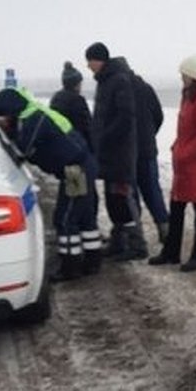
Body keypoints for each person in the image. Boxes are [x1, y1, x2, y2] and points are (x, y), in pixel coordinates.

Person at [0, 87, 102, 280]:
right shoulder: (34, 116)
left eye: (3, 118)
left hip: (76, 170)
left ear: (12, 110)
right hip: (80, 166)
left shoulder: (35, 120)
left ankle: (70, 266)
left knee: (65, 218)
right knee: (84, 216)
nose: (3, 123)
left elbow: (22, 151)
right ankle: (93, 260)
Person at [149, 54, 196, 272]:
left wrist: (184, 152)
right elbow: (185, 130)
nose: (181, 78)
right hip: (184, 160)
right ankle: (171, 252)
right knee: (176, 206)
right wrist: (177, 147)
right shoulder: (188, 96)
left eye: (184, 74)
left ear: (192, 75)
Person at [85, 42, 148, 261]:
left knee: (122, 200)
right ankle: (119, 243)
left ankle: (137, 245)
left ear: (98, 59)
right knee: (112, 201)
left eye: (90, 61)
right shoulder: (104, 81)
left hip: (119, 154)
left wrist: (104, 137)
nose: (88, 66)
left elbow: (125, 117)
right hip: (108, 155)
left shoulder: (118, 81)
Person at [131, 68, 170, 244]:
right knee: (153, 191)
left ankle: (135, 235)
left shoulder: (118, 89)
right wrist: (149, 134)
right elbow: (158, 115)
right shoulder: (146, 88)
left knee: (131, 194)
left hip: (130, 152)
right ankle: (165, 230)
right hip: (147, 149)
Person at [49, 61, 92, 143]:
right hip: (77, 144)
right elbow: (87, 127)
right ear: (76, 85)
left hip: (59, 143)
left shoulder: (56, 98)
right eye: (80, 83)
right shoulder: (78, 100)